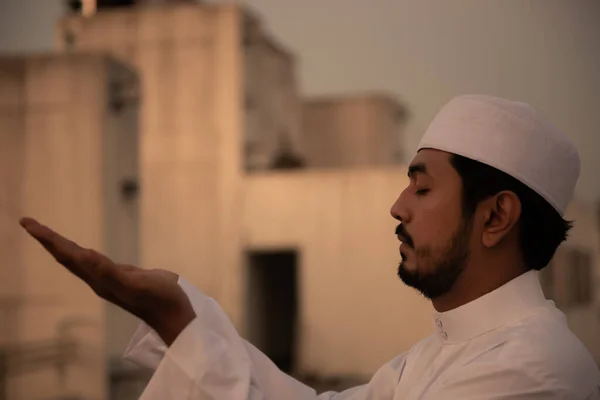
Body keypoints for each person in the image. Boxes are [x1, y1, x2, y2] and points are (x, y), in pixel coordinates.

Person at [20, 95, 600, 399]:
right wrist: (177, 316)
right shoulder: (430, 359)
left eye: (422, 187)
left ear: (496, 215)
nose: (399, 207)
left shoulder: (533, 370)